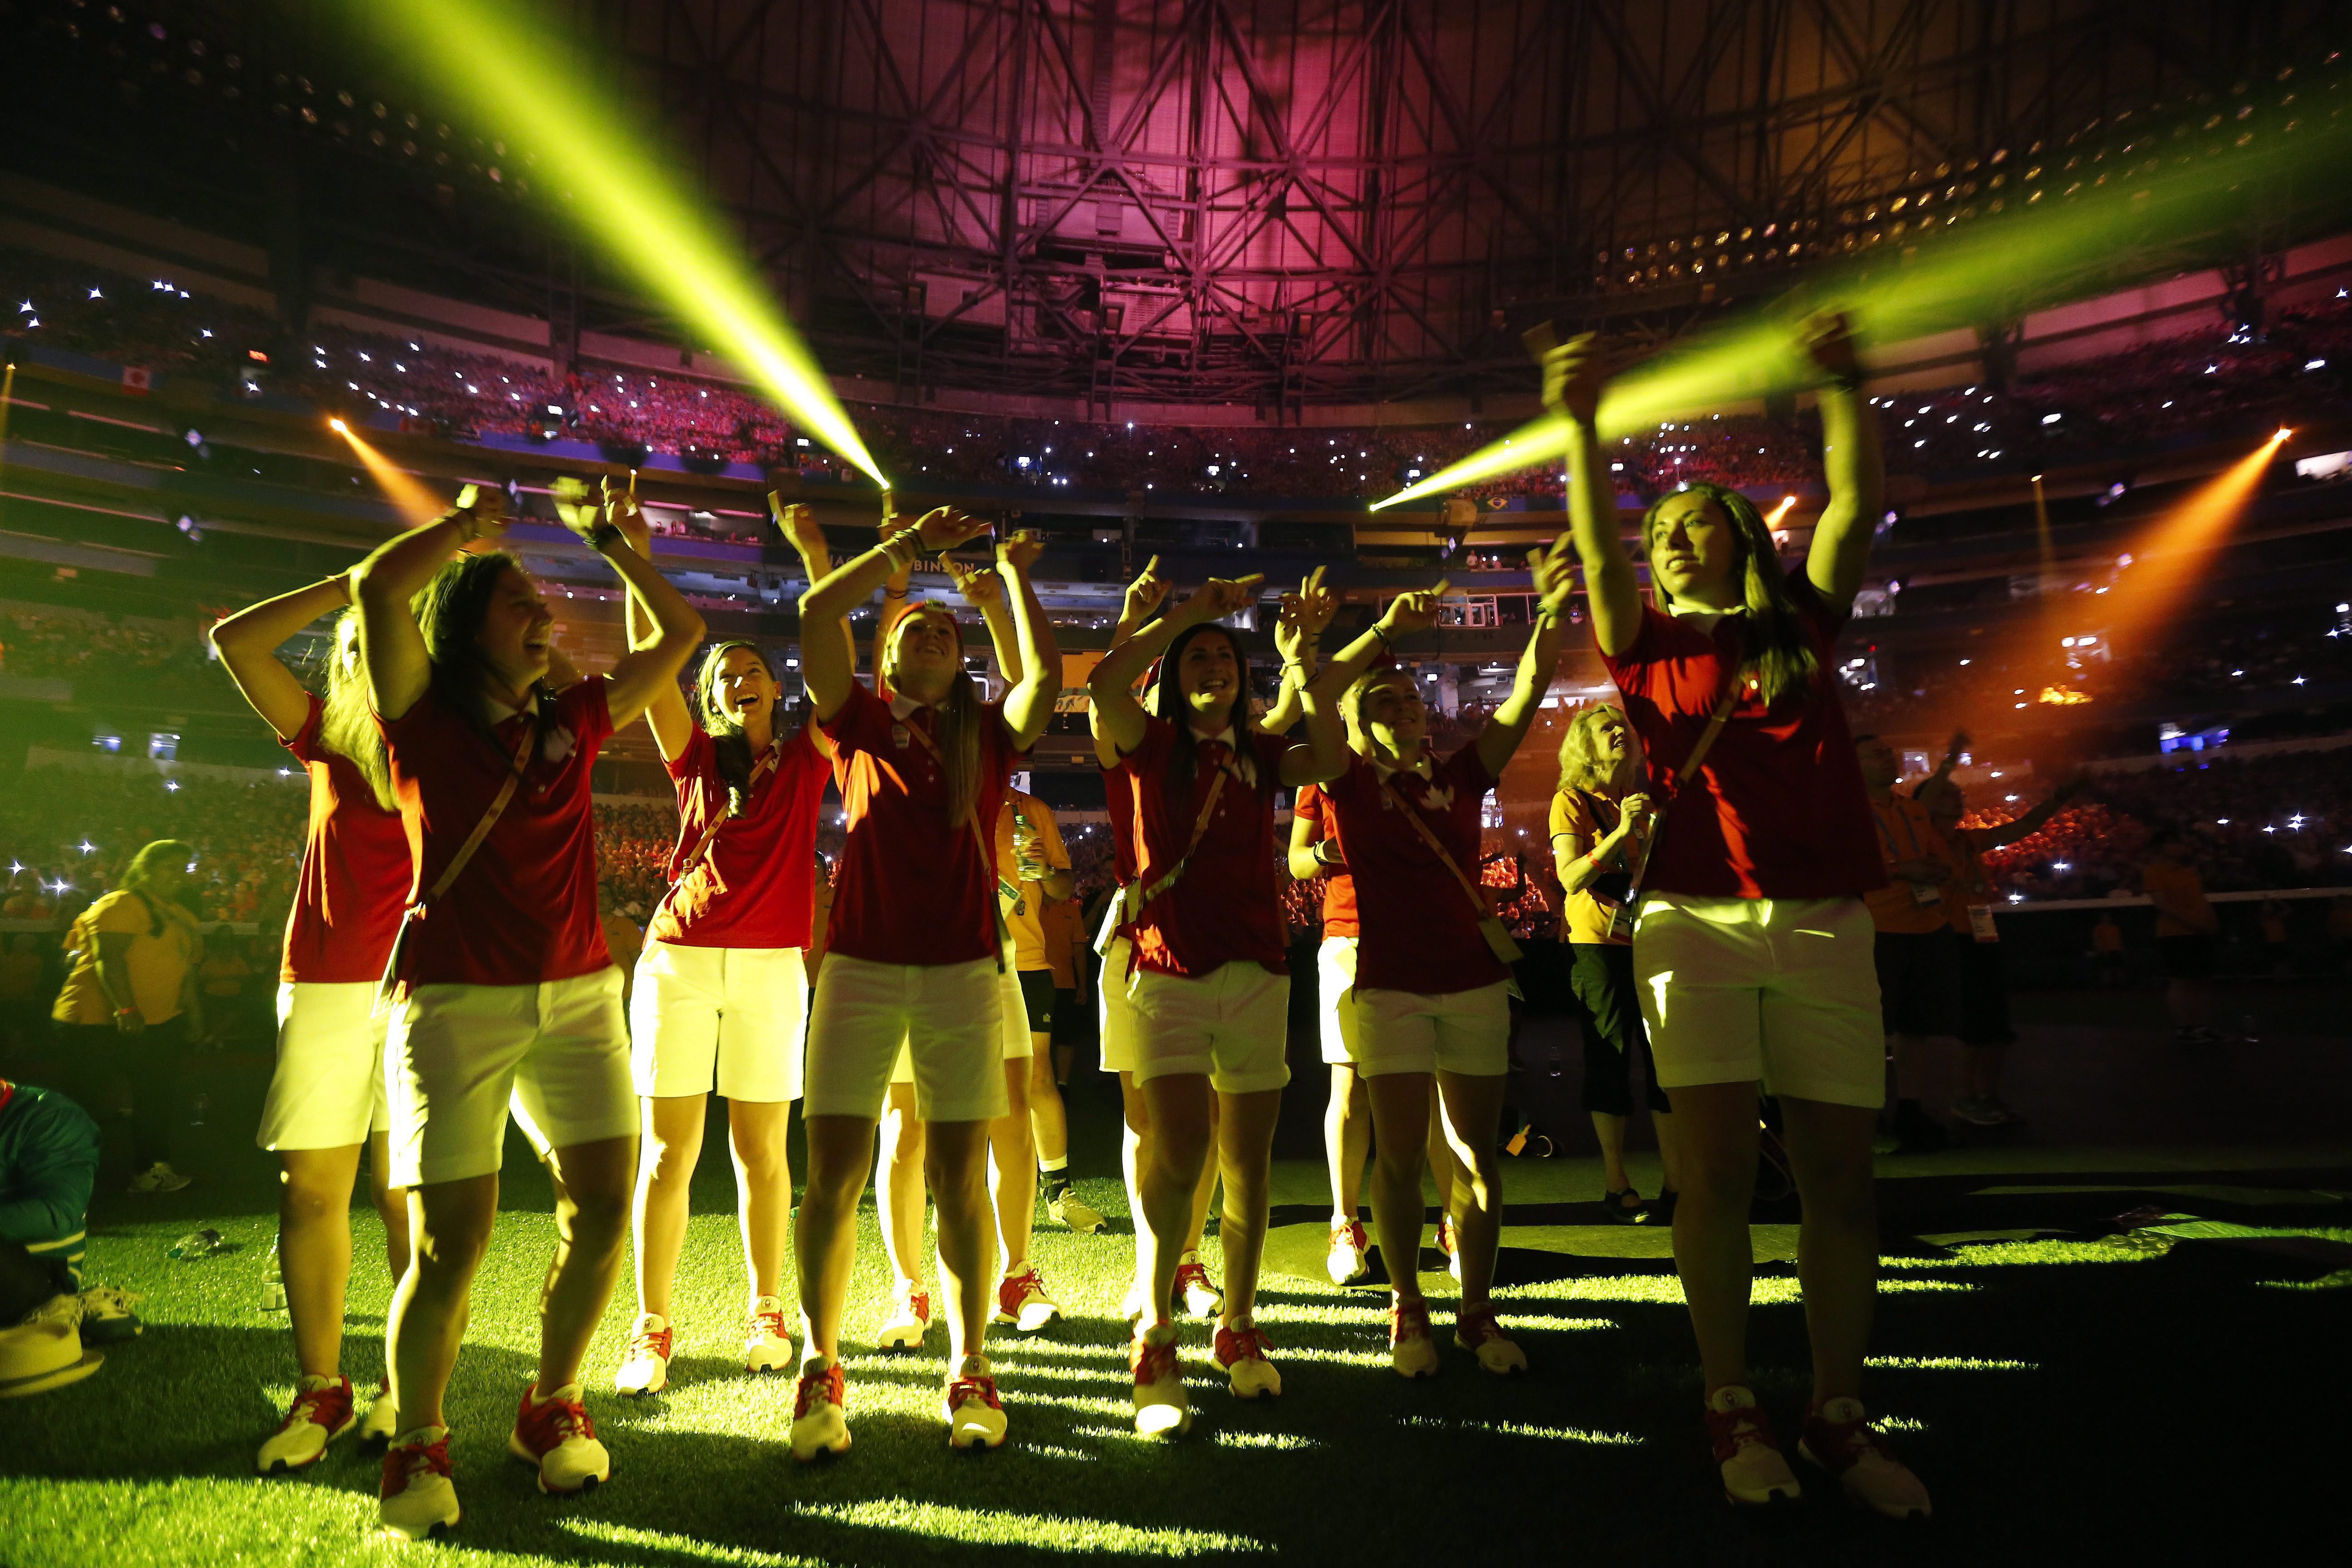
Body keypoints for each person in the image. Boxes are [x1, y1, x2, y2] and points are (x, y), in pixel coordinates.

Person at [1549, 315, 1930, 1518]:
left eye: (1689, 522)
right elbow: (1595, 562)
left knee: (1840, 1182)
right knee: (1710, 1178)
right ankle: (1729, 1402)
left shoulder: (1800, 623)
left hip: (1822, 918)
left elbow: (1854, 508)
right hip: (1692, 927)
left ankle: (1835, 1411)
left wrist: (1844, 391)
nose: (1668, 541)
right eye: (1658, 530)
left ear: (1738, 537)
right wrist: (1579, 426)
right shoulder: (1642, 642)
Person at [355, 480, 705, 1539]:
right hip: (454, 996)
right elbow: (378, 584)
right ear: (466, 631)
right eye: (519, 601)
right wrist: (464, 528)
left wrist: (614, 547)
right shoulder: (418, 714)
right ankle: (418, 1436)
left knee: (603, 1199)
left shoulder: (578, 714)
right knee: (450, 1241)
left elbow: (681, 632)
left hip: (582, 993)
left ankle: (548, 1402)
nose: (543, 612)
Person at [789, 508, 1059, 1460]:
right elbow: (821, 611)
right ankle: (821, 1367)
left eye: (947, 631)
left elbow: (1043, 683)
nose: (934, 634)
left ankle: (971, 1365)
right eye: (915, 629)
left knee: (958, 1178)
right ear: (887, 661)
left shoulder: (984, 733)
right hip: (859, 968)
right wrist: (894, 559)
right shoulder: (857, 719)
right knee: (833, 1175)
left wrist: (1009, 584)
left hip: (961, 976)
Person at [1305, 549, 1577, 1380]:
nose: (1402, 706)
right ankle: (1406, 1305)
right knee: (1395, 1157)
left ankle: (1475, 1311)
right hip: (1384, 984)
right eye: (1380, 700)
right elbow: (1310, 703)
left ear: (1427, 719)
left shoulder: (1462, 774)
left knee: (1475, 1156)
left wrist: (1549, 619)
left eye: (1409, 698)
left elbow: (1525, 698)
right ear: (1357, 723)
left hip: (1470, 982)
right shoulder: (1343, 781)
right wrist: (1319, 646)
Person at [1088, 570, 1346, 1436]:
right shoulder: (1148, 744)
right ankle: (1155, 1330)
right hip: (1165, 967)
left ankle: (1236, 1323)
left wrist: (1306, 660)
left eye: (1224, 659)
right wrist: (1187, 617)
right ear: (1169, 673)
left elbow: (1336, 761)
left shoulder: (1262, 751)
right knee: (1177, 1149)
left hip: (1256, 970)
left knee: (1248, 1162)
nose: (1212, 666)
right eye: (1196, 658)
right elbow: (1097, 683)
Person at [609, 493, 838, 1399]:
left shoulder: (810, 756)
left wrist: (817, 556)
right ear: (709, 700)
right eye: (724, 675)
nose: (740, 678)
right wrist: (634, 553)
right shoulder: (694, 758)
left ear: (777, 690)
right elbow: (647, 660)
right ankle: (652, 1327)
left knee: (763, 1154)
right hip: (681, 961)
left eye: (754, 670)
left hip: (775, 967)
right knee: (668, 1155)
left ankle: (766, 1308)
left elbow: (834, 661)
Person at [211, 574, 417, 1471]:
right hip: (330, 982)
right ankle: (323, 1386)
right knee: (313, 1192)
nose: (373, 652)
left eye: (393, 637)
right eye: (358, 640)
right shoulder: (324, 732)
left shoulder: (452, 740)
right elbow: (236, 640)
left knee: (408, 1195)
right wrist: (355, 586)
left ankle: (412, 1389)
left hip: (425, 985)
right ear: (341, 660)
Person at [1093, 559, 1226, 1330]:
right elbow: (1105, 695)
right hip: (1140, 935)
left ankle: (1187, 1260)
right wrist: (1130, 619)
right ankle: (1155, 1262)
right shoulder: (1133, 749)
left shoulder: (1215, 747)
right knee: (1144, 1117)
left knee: (1203, 1114)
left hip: (1215, 940)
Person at [1549, 705, 1681, 1221]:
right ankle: (1615, 1181)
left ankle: (1676, 1183)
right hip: (1596, 946)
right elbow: (1570, 877)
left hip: (1652, 942)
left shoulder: (1644, 803)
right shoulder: (1571, 801)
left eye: (1623, 728)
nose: (1620, 734)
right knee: (1610, 1060)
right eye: (1607, 729)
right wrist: (1620, 831)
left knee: (1665, 1063)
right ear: (1585, 745)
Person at [1913, 735, 2085, 1127]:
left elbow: (2023, 827)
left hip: (1983, 936)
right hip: (1950, 940)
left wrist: (2059, 799)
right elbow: (1920, 809)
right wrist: (1947, 764)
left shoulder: (1968, 842)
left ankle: (1987, 1095)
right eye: (1947, 795)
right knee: (1972, 1026)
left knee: (1995, 1025)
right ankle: (1964, 1098)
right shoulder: (1924, 843)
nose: (1957, 800)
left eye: (1958, 794)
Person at [50, 840, 205, 1195]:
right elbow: (110, 958)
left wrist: (192, 1013)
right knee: (84, 1102)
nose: (180, 876)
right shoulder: (122, 903)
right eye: (171, 867)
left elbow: (186, 969)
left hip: (158, 1022)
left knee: (156, 1097)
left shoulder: (179, 914)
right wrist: (126, 1008)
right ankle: (60, 1177)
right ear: (145, 867)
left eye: (184, 868)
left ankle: (150, 1171)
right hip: (95, 1022)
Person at [1002, 786, 1102, 1234]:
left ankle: (1059, 1192)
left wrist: (1042, 868)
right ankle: (955, 1192)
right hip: (960, 958)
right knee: (961, 1081)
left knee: (1040, 1077)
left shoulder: (1030, 808)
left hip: (1027, 962)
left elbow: (1062, 888)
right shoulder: (956, 793)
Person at [1856, 734, 1960, 1154]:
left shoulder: (1913, 809)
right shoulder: (1848, 810)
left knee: (1915, 1027)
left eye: (1889, 751)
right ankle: (1871, 1112)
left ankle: (1910, 1110)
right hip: (1877, 928)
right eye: (1877, 754)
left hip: (1927, 926)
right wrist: (1904, 870)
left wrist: (1933, 869)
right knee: (1873, 1029)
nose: (1889, 758)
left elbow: (1942, 859)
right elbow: (1845, 867)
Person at [2142, 829, 2219, 1045]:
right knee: (2182, 981)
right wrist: (2197, 924)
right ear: (2162, 846)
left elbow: (2200, 900)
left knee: (2202, 980)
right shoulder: (2154, 871)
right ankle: (2185, 1028)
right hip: (2175, 934)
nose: (2180, 847)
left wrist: (2210, 923)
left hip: (2200, 931)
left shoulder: (2188, 872)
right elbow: (2163, 906)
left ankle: (2203, 1027)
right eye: (2174, 842)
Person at [2092, 910, 2128, 988]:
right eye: (2105, 917)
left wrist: (2122, 950)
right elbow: (2097, 941)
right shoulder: (2099, 928)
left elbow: (2119, 940)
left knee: (2119, 969)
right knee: (2107, 970)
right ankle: (2107, 987)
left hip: (2117, 951)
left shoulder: (2115, 928)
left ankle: (2122, 986)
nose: (2107, 919)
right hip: (2106, 951)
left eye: (2108, 917)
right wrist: (2102, 950)